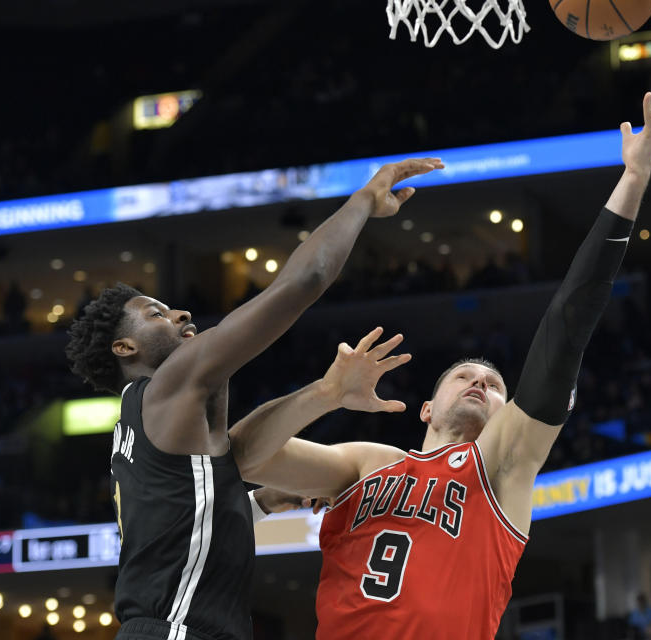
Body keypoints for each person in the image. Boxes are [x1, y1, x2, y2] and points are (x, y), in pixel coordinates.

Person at [246, 74, 651, 639]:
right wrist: (324, 395)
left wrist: (633, 177)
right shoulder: (367, 462)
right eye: (464, 375)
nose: (481, 382)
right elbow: (242, 456)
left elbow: (566, 324)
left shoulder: (502, 465)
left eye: (496, 384)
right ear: (426, 409)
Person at [64, 157, 443, 640]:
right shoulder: (167, 387)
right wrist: (364, 200)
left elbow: (186, 515)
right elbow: (303, 282)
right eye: (156, 314)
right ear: (125, 348)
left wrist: (259, 500)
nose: (180, 312)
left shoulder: (146, 423)